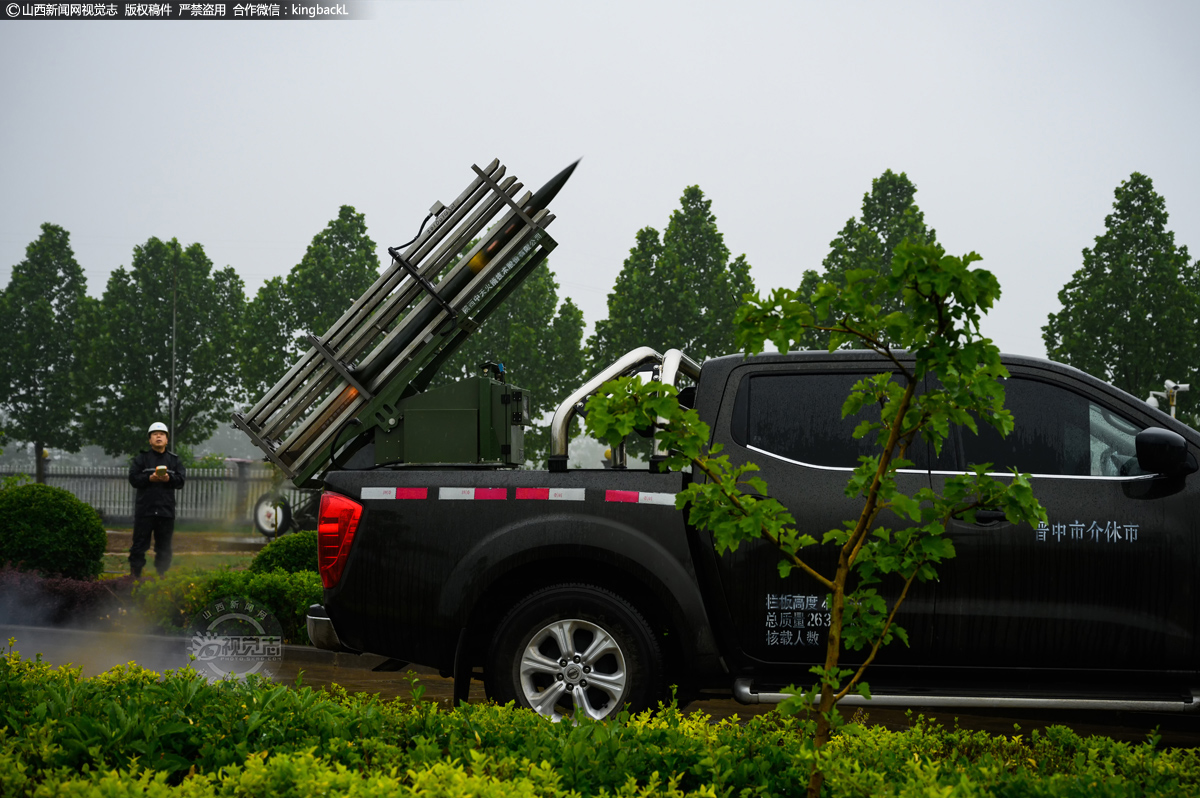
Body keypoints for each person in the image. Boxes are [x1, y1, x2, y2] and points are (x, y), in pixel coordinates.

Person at [128, 422, 186, 577]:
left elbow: (181, 481)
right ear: (150, 440)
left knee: (164, 548)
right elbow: (133, 479)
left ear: (167, 439)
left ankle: (161, 577)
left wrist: (168, 478)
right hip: (145, 511)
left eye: (162, 434)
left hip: (165, 512)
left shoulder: (174, 461)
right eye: (154, 434)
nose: (158, 436)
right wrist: (149, 478)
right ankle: (134, 578)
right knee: (139, 546)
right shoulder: (141, 459)